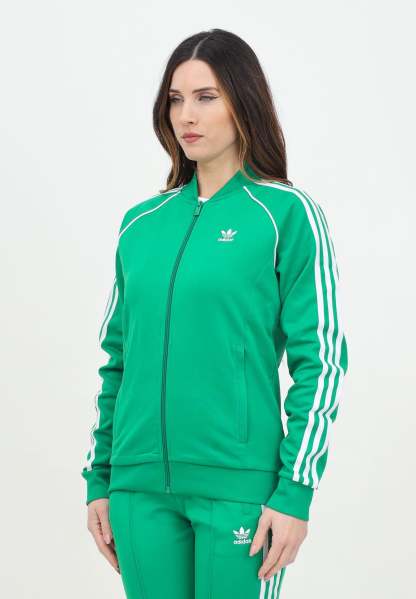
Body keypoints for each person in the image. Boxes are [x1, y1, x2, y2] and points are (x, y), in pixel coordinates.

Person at [81, 28, 349, 599]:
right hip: (138, 489)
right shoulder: (140, 224)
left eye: (206, 97)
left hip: (240, 488)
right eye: (175, 99)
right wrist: (100, 478)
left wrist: (294, 491)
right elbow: (118, 360)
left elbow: (321, 361)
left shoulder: (285, 213)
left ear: (243, 102)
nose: (187, 115)